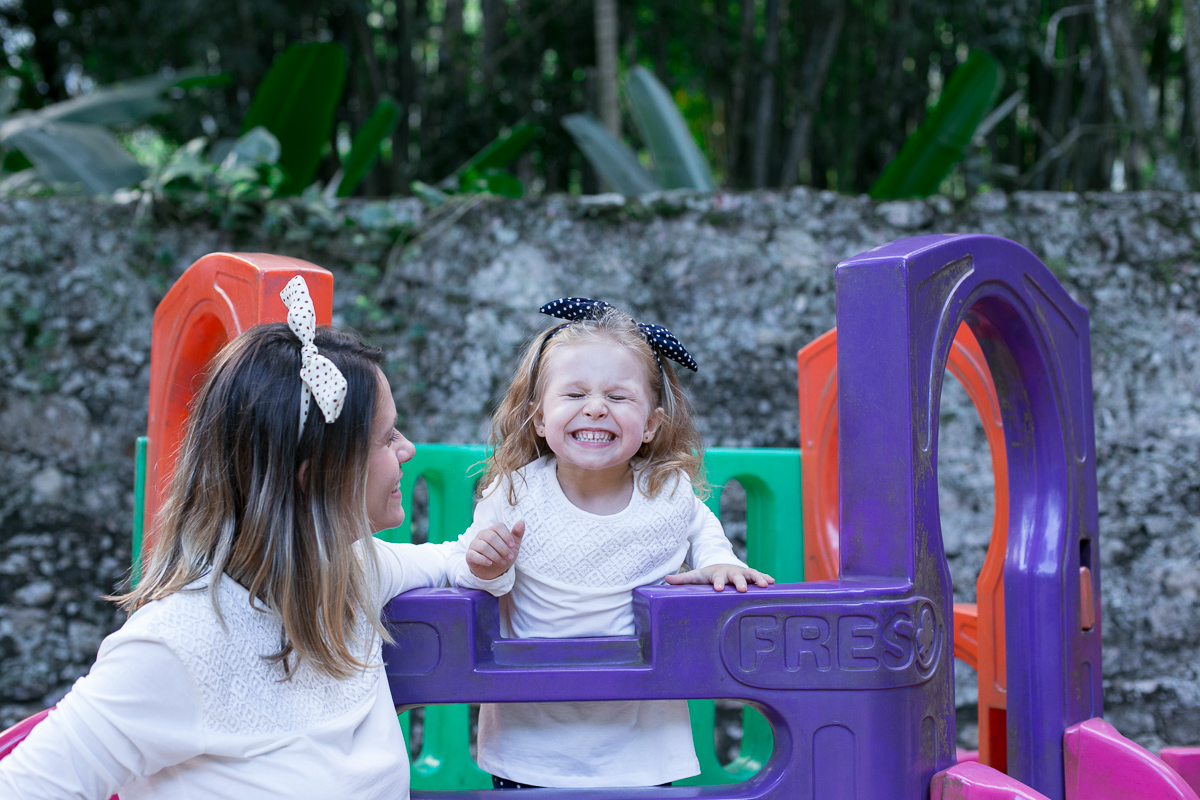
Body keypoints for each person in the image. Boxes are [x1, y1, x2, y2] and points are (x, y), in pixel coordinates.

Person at [0, 276, 513, 800]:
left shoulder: (353, 572)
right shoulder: (177, 646)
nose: (406, 450)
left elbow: (452, 561)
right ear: (314, 477)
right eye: (387, 437)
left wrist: (490, 560)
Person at [450, 297, 775, 790]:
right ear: (539, 418)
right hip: (533, 741)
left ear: (650, 424)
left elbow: (702, 528)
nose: (596, 407)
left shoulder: (666, 492)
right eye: (575, 393)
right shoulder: (513, 493)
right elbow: (466, 566)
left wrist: (717, 561)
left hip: (644, 742)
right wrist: (487, 566)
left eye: (619, 397)